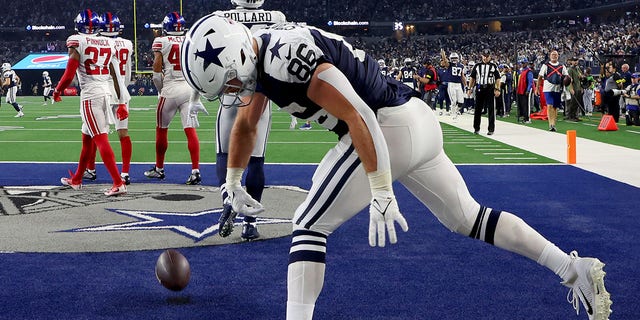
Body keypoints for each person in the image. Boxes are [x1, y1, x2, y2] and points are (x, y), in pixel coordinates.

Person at [181, 16, 611, 320]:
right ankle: (572, 270)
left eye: (232, 81)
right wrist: (233, 181)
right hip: (415, 122)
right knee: (469, 218)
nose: (234, 90)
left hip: (387, 125)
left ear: (238, 54)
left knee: (308, 225)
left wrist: (381, 189)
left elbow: (359, 116)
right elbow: (246, 125)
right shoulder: (261, 56)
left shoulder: (285, 59)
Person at [210, 0, 287, 240]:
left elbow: (207, 58)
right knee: (256, 160)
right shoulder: (276, 18)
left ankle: (229, 200)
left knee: (224, 152)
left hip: (231, 90)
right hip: (259, 94)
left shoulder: (221, 16)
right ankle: (250, 223)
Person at [53, 9, 128, 197]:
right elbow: (114, 73)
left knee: (100, 138)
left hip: (90, 94)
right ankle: (77, 178)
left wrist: (57, 90)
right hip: (105, 93)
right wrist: (121, 101)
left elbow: (70, 73)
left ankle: (118, 182)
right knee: (87, 138)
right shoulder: (109, 42)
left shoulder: (77, 41)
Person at [144, 12, 202, 185]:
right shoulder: (189, 40)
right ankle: (195, 170)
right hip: (188, 89)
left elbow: (156, 71)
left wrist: (161, 90)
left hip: (170, 88)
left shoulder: (161, 41)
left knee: (161, 129)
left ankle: (160, 169)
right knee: (190, 129)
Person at [83, 12, 134, 185]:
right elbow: (126, 71)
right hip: (121, 93)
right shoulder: (127, 43)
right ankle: (125, 173)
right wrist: (123, 93)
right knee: (123, 133)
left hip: (102, 90)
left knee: (94, 133)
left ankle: (91, 169)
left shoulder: (98, 42)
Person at [467, 49, 500, 135]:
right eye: (484, 56)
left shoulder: (493, 65)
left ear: (490, 56)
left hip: (489, 88)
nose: (485, 58)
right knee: (477, 109)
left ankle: (491, 129)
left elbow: (497, 78)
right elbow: (472, 77)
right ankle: (476, 128)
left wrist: (497, 89)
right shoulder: (477, 66)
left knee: (491, 108)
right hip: (479, 88)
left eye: (487, 56)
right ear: (481, 56)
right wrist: (469, 88)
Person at [535, 50, 568, 132]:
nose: (554, 56)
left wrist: (569, 87)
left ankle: (554, 123)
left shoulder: (562, 66)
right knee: (549, 105)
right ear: (550, 56)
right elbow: (539, 77)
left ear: (558, 56)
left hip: (557, 88)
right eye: (553, 54)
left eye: (556, 55)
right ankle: (551, 124)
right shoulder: (545, 65)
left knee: (555, 107)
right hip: (548, 88)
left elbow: (567, 77)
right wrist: (537, 88)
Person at [441, 50, 467, 116]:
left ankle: (456, 110)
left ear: (458, 58)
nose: (454, 59)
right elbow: (445, 61)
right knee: (454, 101)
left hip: (459, 84)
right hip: (451, 84)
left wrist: (466, 85)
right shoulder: (449, 65)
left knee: (461, 101)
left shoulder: (461, 66)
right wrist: (443, 55)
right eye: (453, 58)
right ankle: (453, 114)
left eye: (455, 58)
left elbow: (462, 76)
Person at [516, 58, 534, 124]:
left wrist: (528, 90)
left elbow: (530, 82)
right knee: (522, 104)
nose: (522, 64)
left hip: (525, 90)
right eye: (522, 63)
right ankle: (524, 116)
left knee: (526, 104)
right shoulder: (522, 71)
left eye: (524, 63)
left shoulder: (529, 71)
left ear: (527, 63)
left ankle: (527, 118)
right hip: (521, 90)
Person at [565, 57, 584, 122]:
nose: (575, 62)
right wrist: (571, 89)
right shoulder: (570, 70)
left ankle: (575, 116)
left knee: (577, 103)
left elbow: (580, 78)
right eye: (574, 61)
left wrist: (581, 87)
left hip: (578, 87)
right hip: (574, 88)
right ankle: (570, 116)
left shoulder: (578, 69)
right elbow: (569, 80)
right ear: (571, 62)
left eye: (576, 60)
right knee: (572, 103)